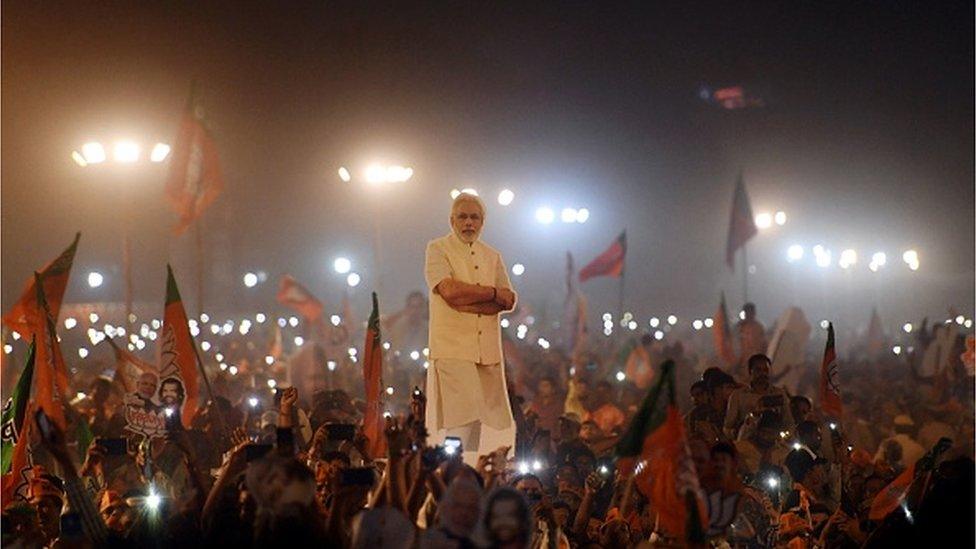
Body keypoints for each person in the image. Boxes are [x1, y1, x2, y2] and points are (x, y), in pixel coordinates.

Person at [425, 192, 518, 461]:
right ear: (452, 220)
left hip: (487, 351)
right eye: (463, 217)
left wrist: (472, 298)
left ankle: (471, 475)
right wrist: (491, 294)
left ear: (482, 221)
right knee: (461, 418)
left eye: (474, 217)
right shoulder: (438, 249)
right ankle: (451, 471)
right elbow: (449, 291)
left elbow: (509, 299)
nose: (468, 223)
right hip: (453, 348)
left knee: (486, 424)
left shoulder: (492, 256)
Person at [724, 354, 794, 439]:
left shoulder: (779, 394)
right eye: (758, 370)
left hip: (774, 445)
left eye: (766, 370)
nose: (763, 373)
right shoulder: (738, 396)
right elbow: (728, 427)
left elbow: (789, 422)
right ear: (750, 371)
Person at [736, 303, 767, 372]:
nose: (749, 314)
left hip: (757, 362)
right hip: (744, 363)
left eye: (751, 312)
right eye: (747, 312)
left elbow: (764, 344)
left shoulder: (759, 327)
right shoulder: (740, 328)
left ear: (754, 313)